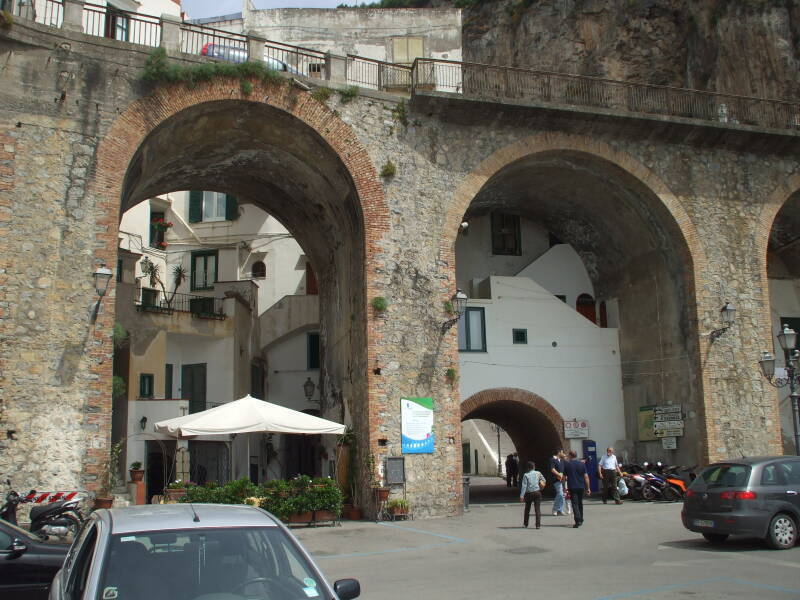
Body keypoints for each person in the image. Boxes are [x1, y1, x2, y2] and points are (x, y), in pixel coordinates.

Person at [563, 450, 591, 528]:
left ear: (570, 456)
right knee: (580, 503)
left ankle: (577, 520)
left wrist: (564, 487)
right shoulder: (582, 464)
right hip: (581, 486)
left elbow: (564, 478)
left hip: (572, 486)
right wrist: (588, 488)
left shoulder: (568, 465)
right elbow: (586, 477)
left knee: (574, 504)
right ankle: (581, 519)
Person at [519, 461, 546, 528]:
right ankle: (538, 525)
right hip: (537, 492)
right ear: (533, 467)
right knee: (537, 509)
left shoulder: (526, 475)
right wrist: (540, 485)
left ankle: (525, 524)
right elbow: (544, 480)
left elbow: (524, 486)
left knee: (527, 509)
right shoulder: (538, 473)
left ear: (528, 468)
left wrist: (521, 496)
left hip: (529, 493)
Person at [549, 449, 566, 516]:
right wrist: (558, 474)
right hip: (556, 479)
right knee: (560, 493)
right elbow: (552, 469)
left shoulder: (561, 460)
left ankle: (560, 509)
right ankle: (555, 509)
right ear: (559, 452)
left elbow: (563, 469)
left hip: (562, 479)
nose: (563, 453)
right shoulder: (552, 459)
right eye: (562, 452)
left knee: (563, 495)